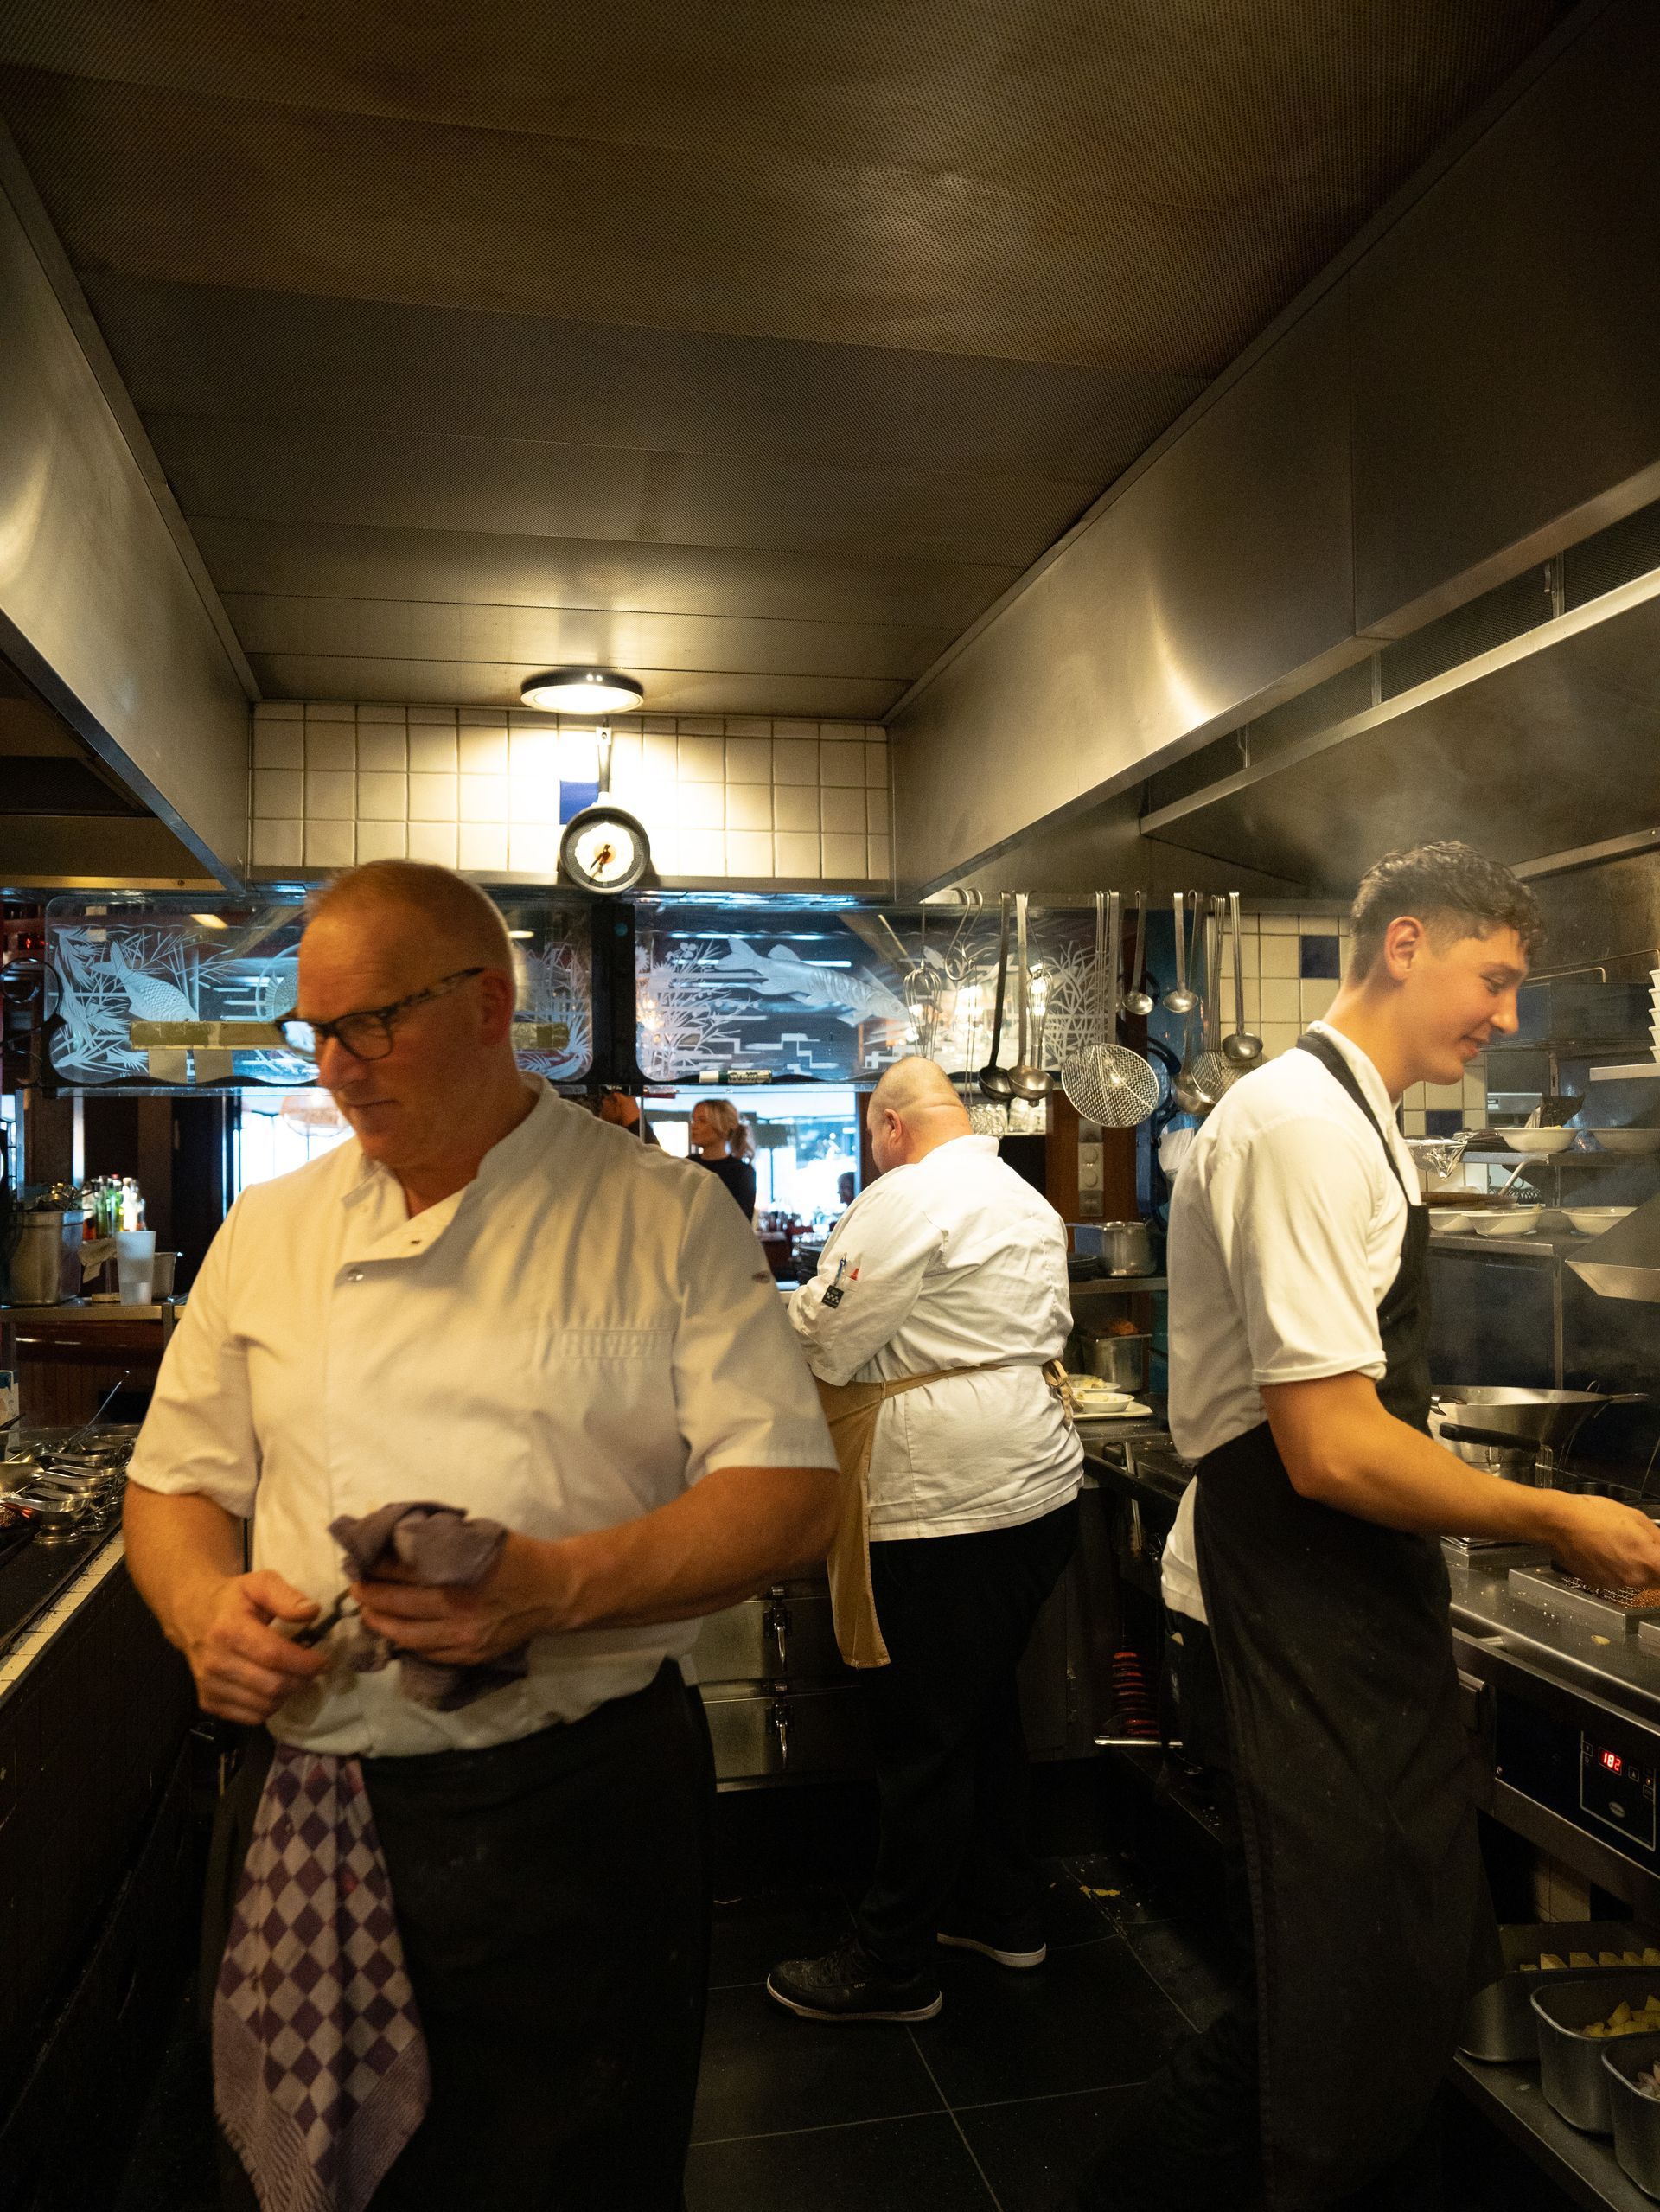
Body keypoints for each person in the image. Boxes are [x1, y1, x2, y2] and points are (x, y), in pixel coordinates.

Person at [122, 860, 840, 2212]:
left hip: (570, 1813)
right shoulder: (270, 1229)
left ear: (492, 1003)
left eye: (373, 1023)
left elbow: (791, 1490)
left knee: (568, 2171)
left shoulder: (659, 1215)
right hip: (309, 1805)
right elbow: (173, 1487)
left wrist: (556, 1586)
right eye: (316, 1031)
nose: (338, 1068)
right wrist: (198, 1612)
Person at [1057, 843, 1660, 2212]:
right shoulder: (1301, 1124)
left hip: (1343, 1598)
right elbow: (1328, 1445)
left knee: (1380, 1993)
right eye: (1493, 978)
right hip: (1289, 1595)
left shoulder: (1362, 1117)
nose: (1507, 1014)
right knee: (1321, 2021)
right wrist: (1554, 1514)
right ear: (1403, 944)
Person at [769, 1056, 1083, 2023]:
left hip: (943, 1499)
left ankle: (893, 1961)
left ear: (887, 1124)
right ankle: (1004, 1909)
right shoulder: (1020, 1194)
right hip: (1037, 1484)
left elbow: (828, 1339)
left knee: (922, 1736)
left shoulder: (907, 1196)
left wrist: (783, 1306)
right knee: (981, 1707)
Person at [688, 1096, 757, 1219]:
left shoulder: (741, 1173)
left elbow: (741, 1223)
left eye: (702, 1121)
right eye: (694, 1120)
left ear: (724, 1128)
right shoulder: (687, 1164)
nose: (694, 1126)